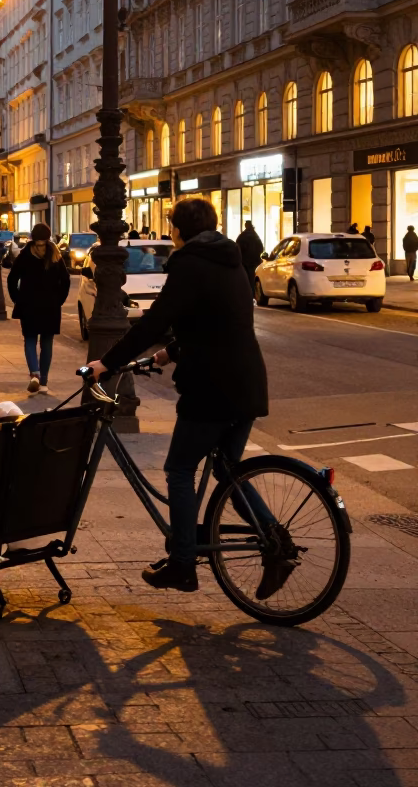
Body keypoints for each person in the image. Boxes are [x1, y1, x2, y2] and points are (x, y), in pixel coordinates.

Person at [87, 198, 279, 597]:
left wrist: (107, 362)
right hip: (246, 384)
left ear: (179, 229)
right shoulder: (228, 260)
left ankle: (182, 564)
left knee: (178, 470)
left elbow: (155, 320)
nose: (170, 231)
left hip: (212, 389)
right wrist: (169, 353)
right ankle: (277, 545)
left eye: (171, 224)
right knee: (229, 472)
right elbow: (214, 322)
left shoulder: (189, 263)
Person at [7, 222, 70, 394]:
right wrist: (59, 300)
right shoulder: (55, 255)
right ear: (48, 237)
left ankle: (34, 373)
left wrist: (17, 299)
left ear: (33, 237)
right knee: (47, 343)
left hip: (28, 304)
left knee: (29, 339)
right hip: (50, 305)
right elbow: (65, 281)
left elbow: (12, 279)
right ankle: (43, 383)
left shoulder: (25, 255)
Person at [235, 219, 264, 289]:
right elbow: (261, 248)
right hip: (254, 262)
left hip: (245, 262)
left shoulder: (242, 236)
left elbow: (237, 247)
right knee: (254, 279)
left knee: (246, 279)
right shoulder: (255, 236)